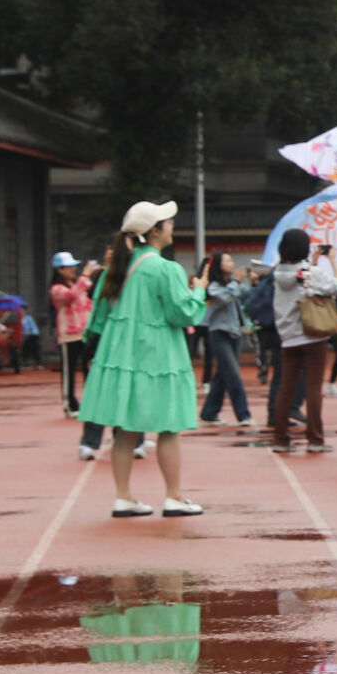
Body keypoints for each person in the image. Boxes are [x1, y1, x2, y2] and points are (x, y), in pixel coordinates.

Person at [77, 201, 208, 517]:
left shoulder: (116, 269)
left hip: (121, 353)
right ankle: (174, 497)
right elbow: (184, 313)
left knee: (125, 428)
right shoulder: (166, 268)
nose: (172, 225)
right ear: (155, 231)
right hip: (159, 353)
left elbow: (98, 317)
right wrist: (200, 290)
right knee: (168, 426)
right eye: (167, 221)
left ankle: (123, 497)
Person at [269, 230, 337, 455]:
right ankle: (315, 439)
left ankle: (281, 439)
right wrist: (332, 261)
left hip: (288, 337)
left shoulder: (277, 274)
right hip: (313, 334)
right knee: (313, 388)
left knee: (286, 388)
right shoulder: (311, 273)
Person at [197, 252, 253, 429]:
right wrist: (236, 282)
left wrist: (253, 281)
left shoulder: (233, 284)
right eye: (227, 260)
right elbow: (225, 298)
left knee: (222, 375)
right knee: (233, 373)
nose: (232, 263)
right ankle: (243, 414)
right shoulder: (214, 286)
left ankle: (209, 413)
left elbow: (248, 295)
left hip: (235, 333)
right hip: (219, 334)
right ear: (219, 265)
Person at [50, 253, 97, 416]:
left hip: (84, 333)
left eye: (73, 266)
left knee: (89, 368)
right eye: (69, 267)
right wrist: (85, 275)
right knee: (68, 372)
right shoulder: (56, 289)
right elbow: (70, 296)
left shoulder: (79, 285)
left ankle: (90, 402)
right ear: (59, 270)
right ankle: (70, 404)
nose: (73, 269)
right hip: (69, 336)